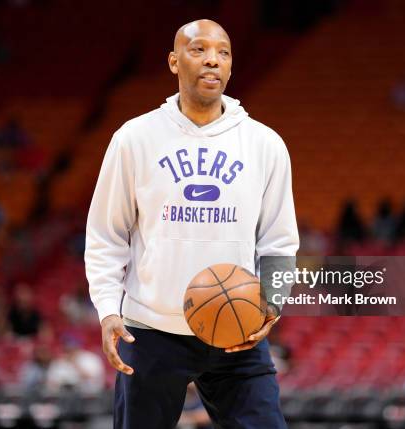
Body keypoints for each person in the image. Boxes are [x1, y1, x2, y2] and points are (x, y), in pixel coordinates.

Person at [85, 19, 299, 429]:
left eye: (223, 52)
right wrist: (108, 310)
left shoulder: (265, 144)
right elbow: (106, 236)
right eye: (199, 49)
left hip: (236, 327)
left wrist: (271, 304)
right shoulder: (134, 138)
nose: (212, 60)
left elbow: (279, 242)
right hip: (150, 329)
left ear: (232, 66)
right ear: (173, 61)